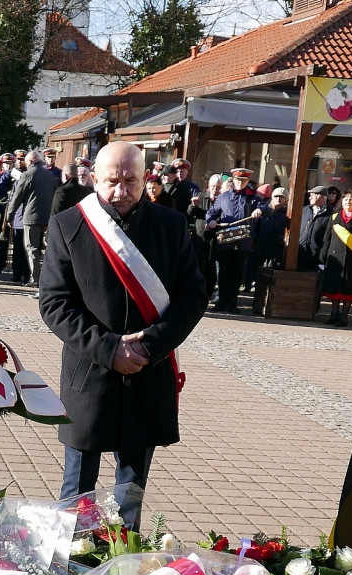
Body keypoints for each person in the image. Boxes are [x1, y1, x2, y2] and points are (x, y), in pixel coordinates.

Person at [38, 141, 207, 530]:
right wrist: (110, 349)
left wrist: (150, 346)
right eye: (112, 181)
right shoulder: (69, 225)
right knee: (76, 495)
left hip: (149, 372)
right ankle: (67, 568)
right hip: (89, 375)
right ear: (94, 178)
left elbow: (192, 295)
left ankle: (121, 570)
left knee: (130, 495)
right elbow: (54, 304)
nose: (121, 190)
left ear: (145, 178)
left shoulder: (171, 225)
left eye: (131, 180)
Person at [206, 167, 265, 313]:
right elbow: (211, 212)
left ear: (247, 181)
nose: (240, 183)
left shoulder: (253, 198)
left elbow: (266, 207)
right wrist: (211, 221)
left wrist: (260, 210)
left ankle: (232, 303)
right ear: (234, 180)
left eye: (243, 180)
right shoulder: (223, 197)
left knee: (237, 274)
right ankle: (221, 302)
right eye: (238, 180)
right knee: (223, 273)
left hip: (243, 243)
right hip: (226, 242)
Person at [319, 190, 352, 326]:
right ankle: (334, 314)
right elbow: (327, 239)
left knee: (349, 289)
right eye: (345, 199)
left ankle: (344, 317)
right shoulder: (334, 217)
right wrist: (322, 259)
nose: (348, 202)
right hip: (334, 258)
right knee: (334, 288)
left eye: (351, 199)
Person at [6, 150, 55, 289]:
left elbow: (17, 197)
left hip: (31, 217)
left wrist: (10, 215)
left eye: (27, 162)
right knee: (45, 250)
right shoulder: (50, 175)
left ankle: (35, 279)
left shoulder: (27, 175)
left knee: (32, 248)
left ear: (31, 161)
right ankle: (46, 278)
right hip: (48, 217)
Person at [298, 185, 332, 271]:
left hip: (316, 257)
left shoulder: (331, 214)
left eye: (312, 195)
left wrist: (322, 257)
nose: (310, 198)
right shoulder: (305, 210)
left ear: (322, 197)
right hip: (300, 253)